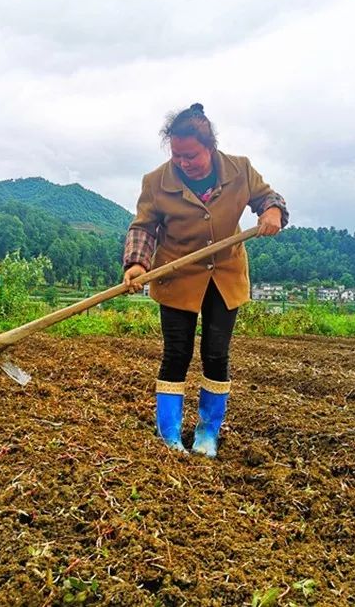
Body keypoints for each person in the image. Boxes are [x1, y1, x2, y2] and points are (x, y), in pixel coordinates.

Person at [123, 103, 288, 457]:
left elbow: (267, 197)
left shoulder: (239, 170)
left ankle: (207, 433)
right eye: (177, 156)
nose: (184, 163)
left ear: (209, 147)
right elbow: (143, 227)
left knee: (215, 355)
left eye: (191, 156)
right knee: (176, 354)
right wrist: (136, 263)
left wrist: (273, 211)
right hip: (176, 275)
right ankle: (169, 434)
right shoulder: (156, 182)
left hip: (225, 276)